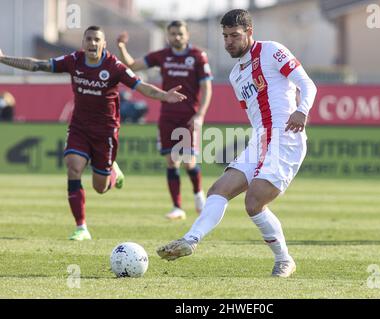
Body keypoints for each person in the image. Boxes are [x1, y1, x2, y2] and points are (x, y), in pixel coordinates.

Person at [156, 9, 317, 278]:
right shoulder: (234, 75)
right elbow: (254, 112)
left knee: (253, 203)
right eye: (225, 36)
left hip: (285, 137)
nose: (229, 41)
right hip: (260, 139)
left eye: (235, 35)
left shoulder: (272, 51)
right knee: (218, 189)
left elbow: (307, 83)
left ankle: (284, 259)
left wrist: (302, 110)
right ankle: (189, 240)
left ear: (249, 33)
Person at [0, 26, 186, 241]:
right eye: (89, 39)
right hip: (79, 126)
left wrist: (164, 96)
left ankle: (112, 173)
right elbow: (37, 65)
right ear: (83, 42)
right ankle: (81, 227)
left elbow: (141, 86)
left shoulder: (114, 66)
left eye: (97, 39)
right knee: (73, 166)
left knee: (100, 187)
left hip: (105, 131)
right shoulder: (73, 60)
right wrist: (4, 59)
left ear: (103, 44)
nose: (92, 43)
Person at [117, 20, 213, 221]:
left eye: (180, 33)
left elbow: (206, 88)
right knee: (171, 161)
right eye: (173, 34)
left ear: (187, 35)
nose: (176, 37)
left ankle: (198, 195)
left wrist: (200, 114)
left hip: (189, 117)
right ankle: (177, 207)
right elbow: (133, 65)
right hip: (168, 116)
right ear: (168, 36)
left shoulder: (197, 56)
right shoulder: (162, 55)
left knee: (188, 161)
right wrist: (121, 47)